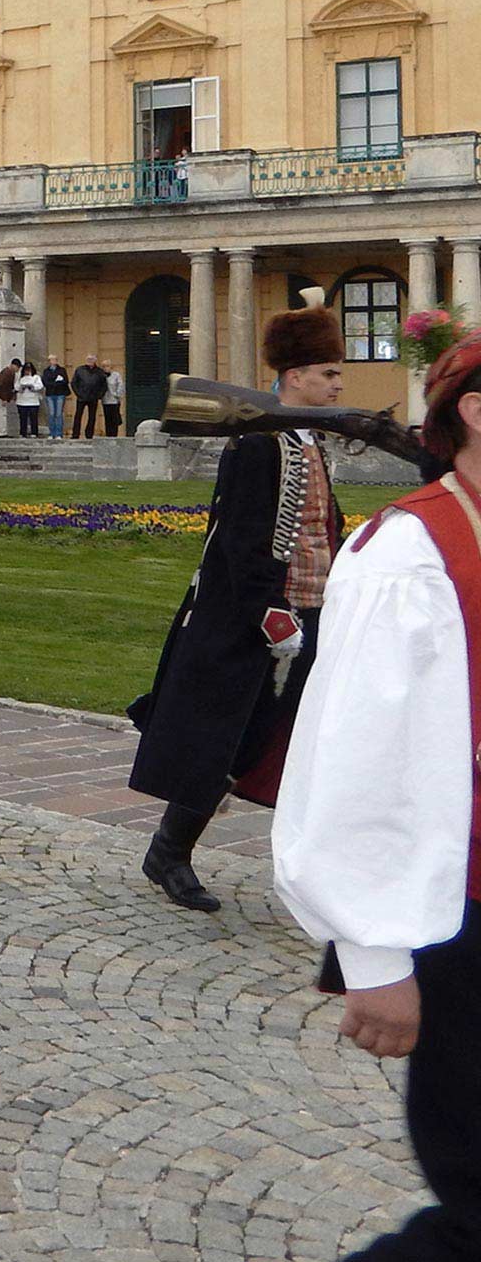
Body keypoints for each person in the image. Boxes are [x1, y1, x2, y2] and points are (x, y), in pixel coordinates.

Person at [272, 332, 481, 1261]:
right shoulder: (410, 554)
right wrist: (373, 953)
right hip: (463, 927)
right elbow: (355, 764)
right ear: (474, 410)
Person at [128, 294, 347, 913]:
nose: (336, 385)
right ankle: (169, 851)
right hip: (259, 622)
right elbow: (241, 540)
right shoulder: (260, 441)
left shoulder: (307, 439)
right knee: (225, 740)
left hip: (310, 607)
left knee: (268, 743)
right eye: (328, 373)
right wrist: (272, 617)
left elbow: (316, 525)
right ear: (297, 375)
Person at [70, 355, 106, 440]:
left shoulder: (99, 371)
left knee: (92, 417)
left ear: (95, 361)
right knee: (78, 416)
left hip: (93, 397)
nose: (90, 361)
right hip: (81, 397)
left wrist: (99, 395)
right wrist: (78, 393)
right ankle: (75, 434)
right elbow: (74, 383)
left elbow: (104, 385)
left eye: (92, 359)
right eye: (88, 359)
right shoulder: (80, 370)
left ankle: (89, 434)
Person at [40, 357, 70, 440]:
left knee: (59, 414)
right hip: (50, 394)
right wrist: (55, 382)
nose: (52, 361)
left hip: (60, 393)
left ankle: (59, 433)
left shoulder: (62, 370)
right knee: (51, 413)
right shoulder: (46, 371)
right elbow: (45, 382)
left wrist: (54, 383)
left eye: (54, 360)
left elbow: (65, 381)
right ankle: (51, 433)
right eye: (51, 360)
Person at [15, 360, 44, 437]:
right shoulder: (20, 377)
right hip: (22, 401)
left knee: (33, 419)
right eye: (26, 369)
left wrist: (33, 387)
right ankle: (23, 433)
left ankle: (34, 433)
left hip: (33, 401)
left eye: (29, 369)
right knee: (23, 419)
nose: (27, 371)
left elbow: (40, 386)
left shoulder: (36, 377)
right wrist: (21, 387)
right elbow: (16, 386)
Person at [102, 364, 126, 438]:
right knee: (107, 419)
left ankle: (114, 435)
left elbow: (120, 385)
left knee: (115, 419)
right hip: (105, 400)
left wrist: (117, 394)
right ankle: (108, 435)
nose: (105, 368)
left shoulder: (116, 375)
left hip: (114, 400)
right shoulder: (102, 376)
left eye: (107, 366)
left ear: (111, 367)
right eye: (103, 366)